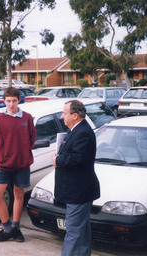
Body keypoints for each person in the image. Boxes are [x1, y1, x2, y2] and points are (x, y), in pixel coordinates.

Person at [51, 100, 100, 256]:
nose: (61, 116)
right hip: (77, 191)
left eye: (64, 113)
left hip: (78, 192)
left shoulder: (83, 132)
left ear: (75, 115)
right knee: (82, 230)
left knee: (73, 232)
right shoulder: (76, 130)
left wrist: (57, 160)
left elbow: (78, 158)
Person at [0, 87, 36, 242]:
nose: (11, 104)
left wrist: (22, 155)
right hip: (4, 164)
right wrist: (6, 155)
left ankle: (16, 229)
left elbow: (31, 140)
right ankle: (7, 228)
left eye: (14, 101)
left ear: (19, 100)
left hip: (22, 164)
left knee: (19, 195)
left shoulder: (27, 118)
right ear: (4, 101)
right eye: (8, 101)